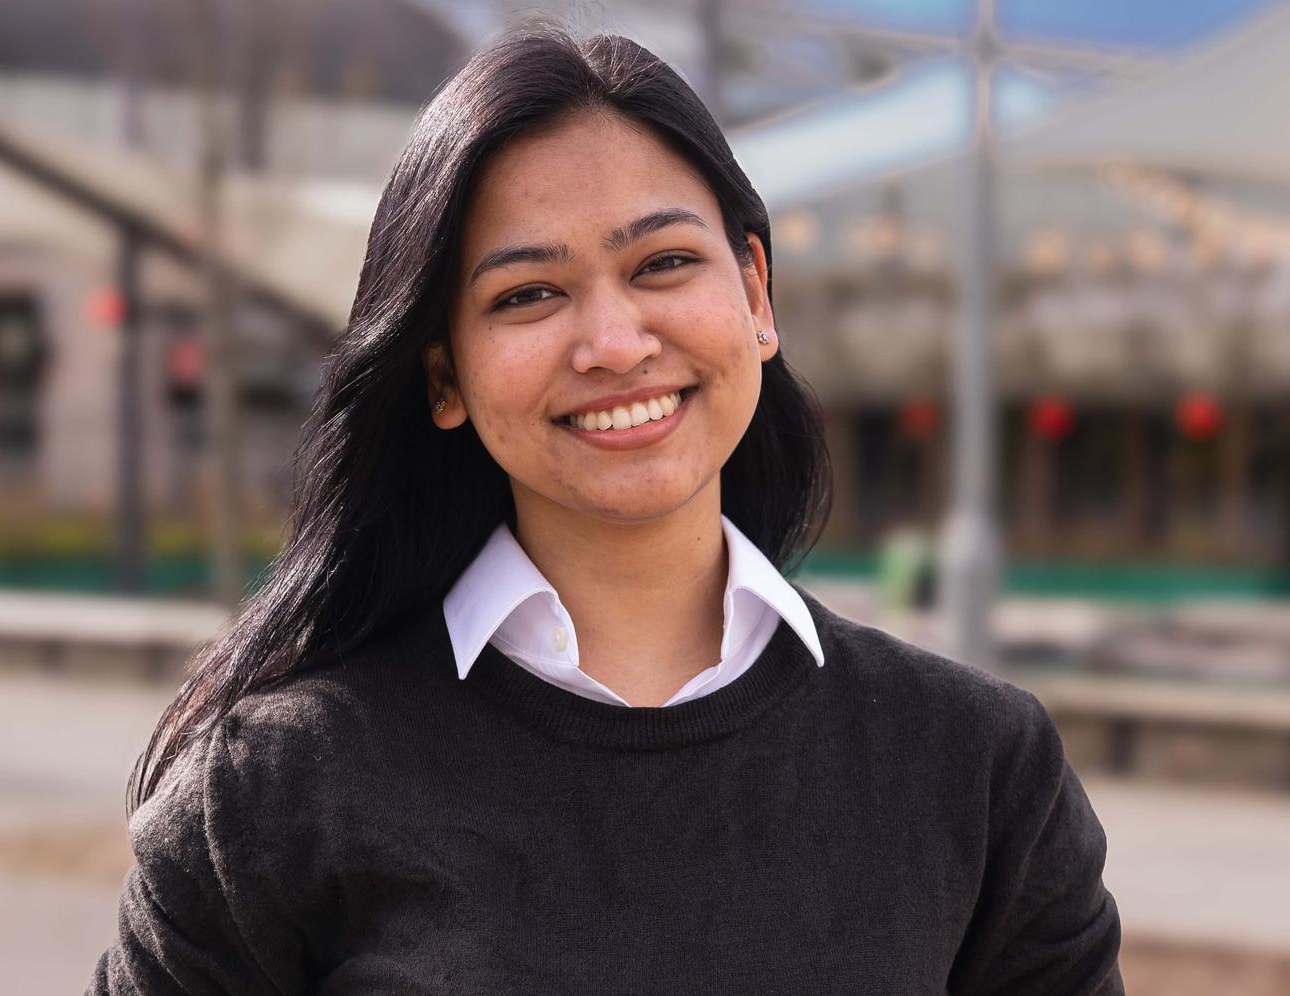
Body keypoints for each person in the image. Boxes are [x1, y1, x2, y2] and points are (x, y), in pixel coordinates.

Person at [88, 25, 1123, 995]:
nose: (615, 342)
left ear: (756, 295)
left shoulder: (975, 768)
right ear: (443, 375)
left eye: (662, 263)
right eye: (528, 294)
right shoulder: (271, 792)